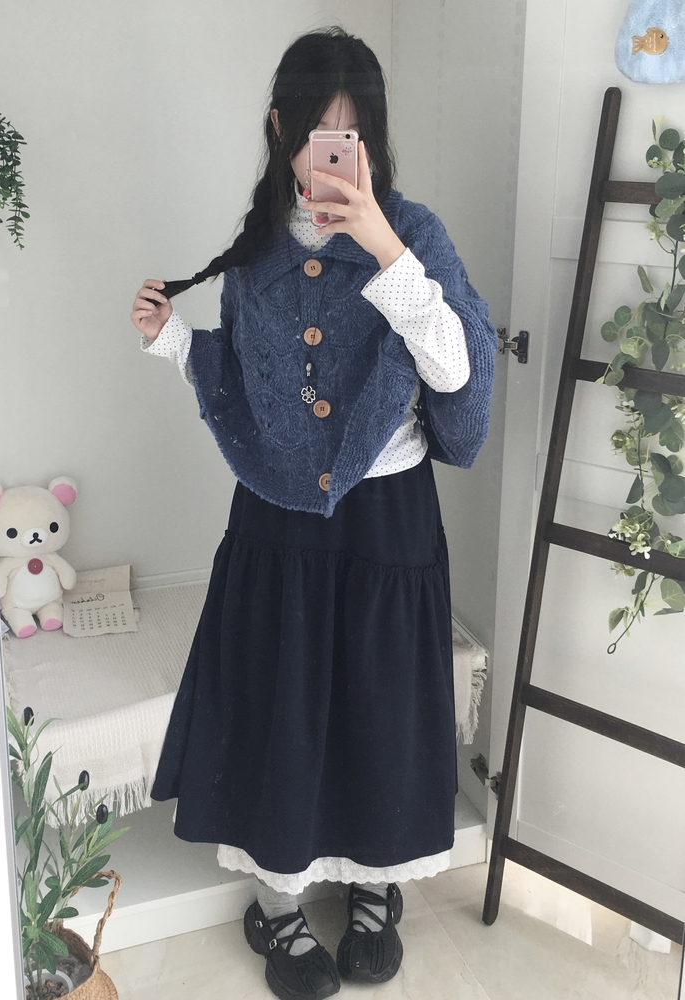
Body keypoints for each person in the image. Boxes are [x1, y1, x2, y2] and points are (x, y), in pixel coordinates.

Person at [130, 26, 495, 1000]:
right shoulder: (256, 251)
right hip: (278, 521)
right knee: (279, 704)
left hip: (390, 516)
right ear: (279, 128)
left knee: (383, 703)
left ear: (374, 138)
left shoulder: (413, 233)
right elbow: (248, 384)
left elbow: (457, 372)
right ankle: (279, 901)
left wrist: (381, 244)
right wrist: (173, 342)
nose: (334, 152)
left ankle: (377, 888)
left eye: (353, 133)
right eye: (317, 132)